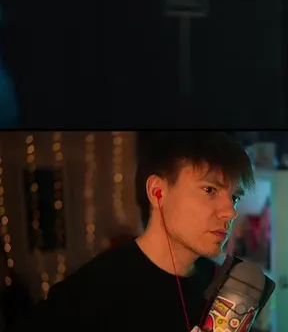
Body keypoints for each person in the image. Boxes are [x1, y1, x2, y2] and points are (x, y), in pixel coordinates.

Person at [15, 132, 254, 332]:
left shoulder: (223, 287)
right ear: (157, 192)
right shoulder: (92, 291)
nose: (230, 212)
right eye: (210, 190)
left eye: (234, 197)